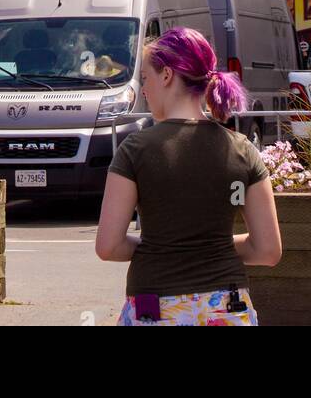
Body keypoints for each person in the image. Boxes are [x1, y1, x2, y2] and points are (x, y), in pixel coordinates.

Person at [95, 27, 282, 326]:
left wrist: (165, 245)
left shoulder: (136, 149)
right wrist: (210, 244)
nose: (144, 88)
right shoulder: (242, 150)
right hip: (228, 308)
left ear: (167, 75)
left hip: (155, 307)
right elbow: (268, 250)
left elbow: (108, 246)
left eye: (146, 77)